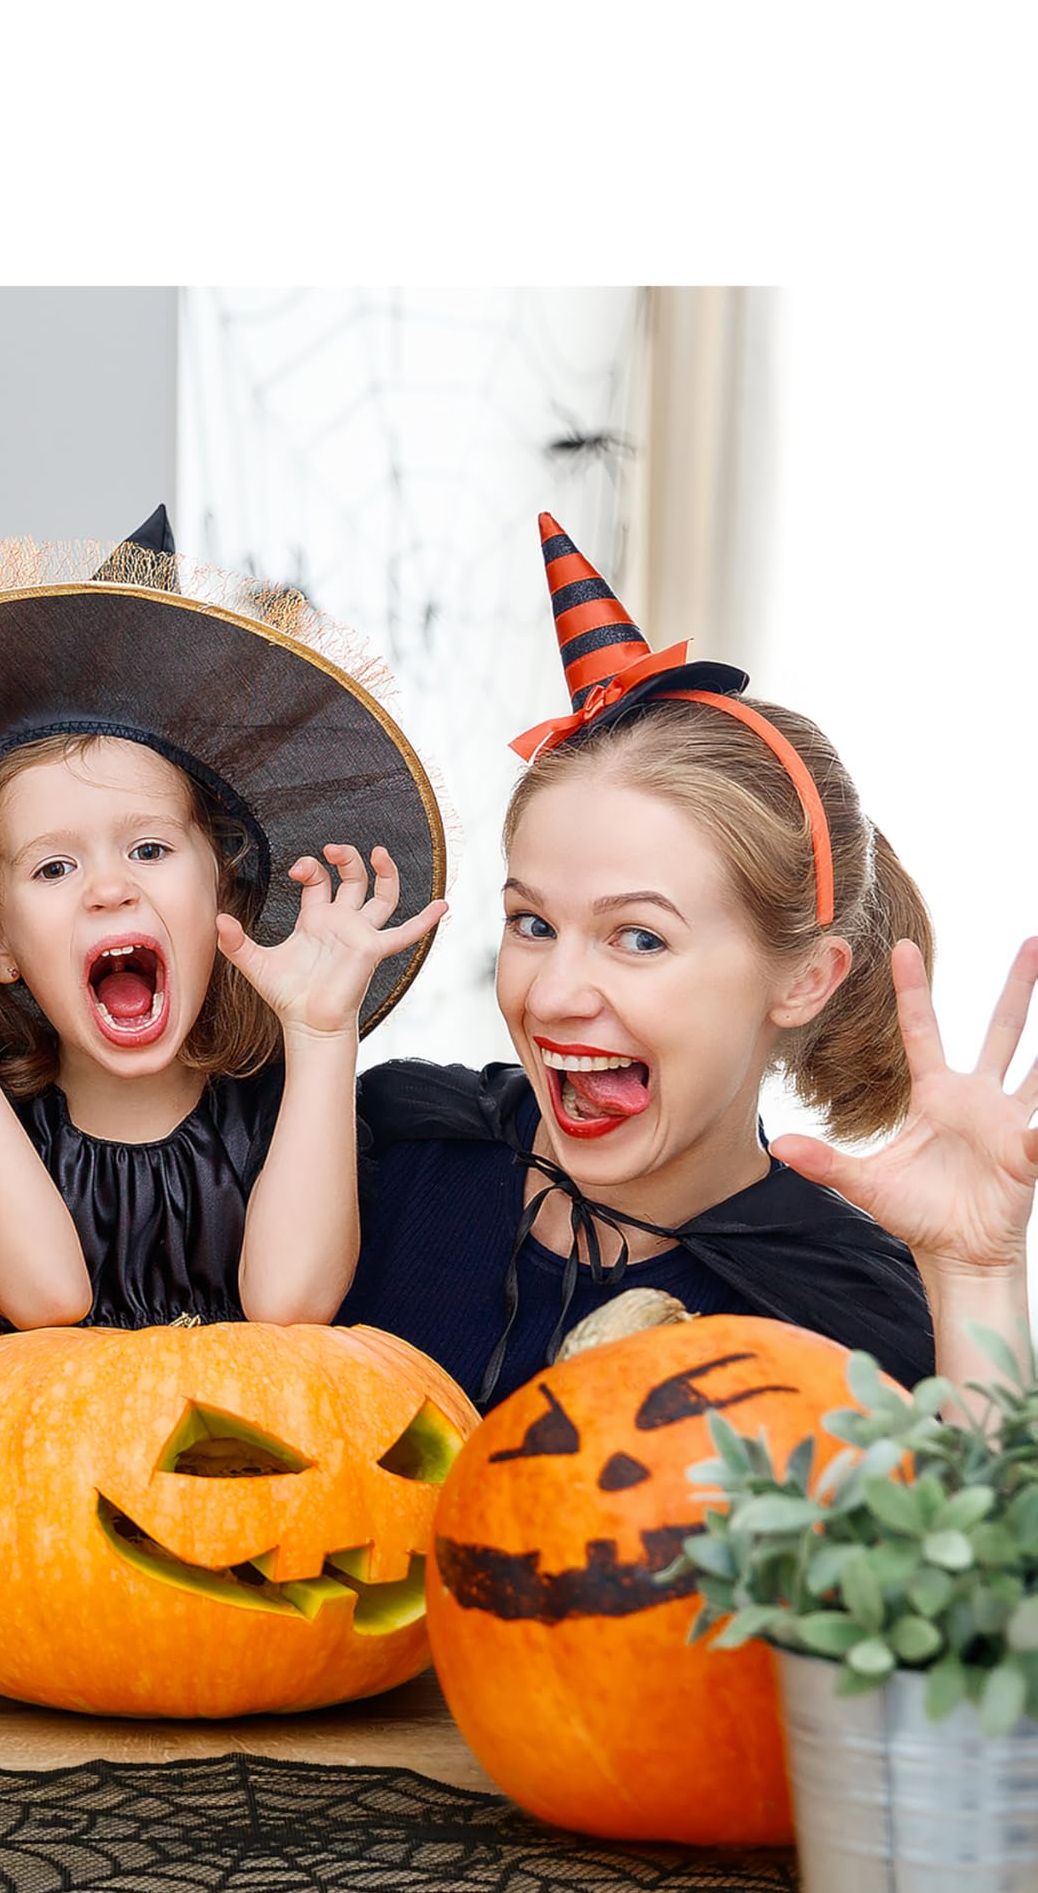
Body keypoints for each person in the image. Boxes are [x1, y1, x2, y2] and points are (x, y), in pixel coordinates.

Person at [0, 509, 447, 1359]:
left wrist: (321, 1033)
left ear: (222, 896)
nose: (110, 888)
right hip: (31, 1465)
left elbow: (290, 1302)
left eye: (149, 849)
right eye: (53, 869)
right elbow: (47, 1298)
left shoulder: (285, 1102)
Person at [342, 514, 941, 1402]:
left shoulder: (855, 1324)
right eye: (533, 923)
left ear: (805, 980)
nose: (551, 994)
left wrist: (983, 1277)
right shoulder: (383, 1150)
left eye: (639, 938)